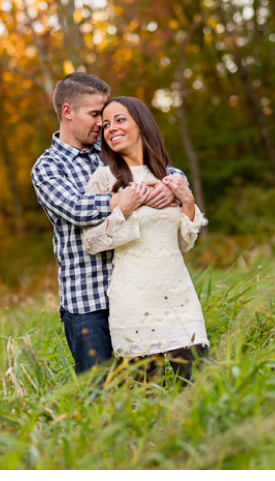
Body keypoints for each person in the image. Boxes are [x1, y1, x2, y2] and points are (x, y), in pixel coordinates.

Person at [31, 73, 178, 377]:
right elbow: (74, 208)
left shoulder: (109, 150)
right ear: (67, 112)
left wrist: (172, 186)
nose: (102, 123)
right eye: (95, 114)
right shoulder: (47, 167)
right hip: (88, 302)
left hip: (136, 292)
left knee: (148, 385)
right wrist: (124, 201)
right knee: (101, 396)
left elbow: (162, 166)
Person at [81, 96, 209, 384]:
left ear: (141, 123)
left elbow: (184, 243)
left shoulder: (169, 177)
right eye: (105, 124)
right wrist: (124, 209)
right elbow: (92, 242)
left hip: (180, 298)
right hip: (134, 302)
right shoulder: (104, 180)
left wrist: (187, 200)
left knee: (196, 387)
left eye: (119, 119)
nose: (110, 128)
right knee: (146, 396)